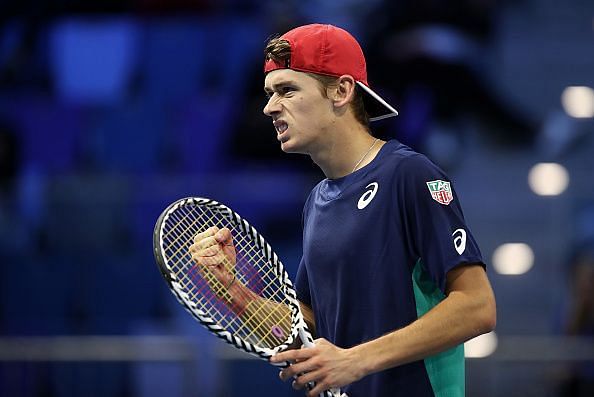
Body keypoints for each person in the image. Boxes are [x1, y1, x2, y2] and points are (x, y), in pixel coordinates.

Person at [191, 23, 496, 397]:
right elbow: (305, 330)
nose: (270, 107)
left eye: (287, 90)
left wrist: (355, 360)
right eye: (270, 93)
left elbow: (477, 306)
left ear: (342, 90)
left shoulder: (409, 174)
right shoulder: (317, 201)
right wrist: (231, 290)